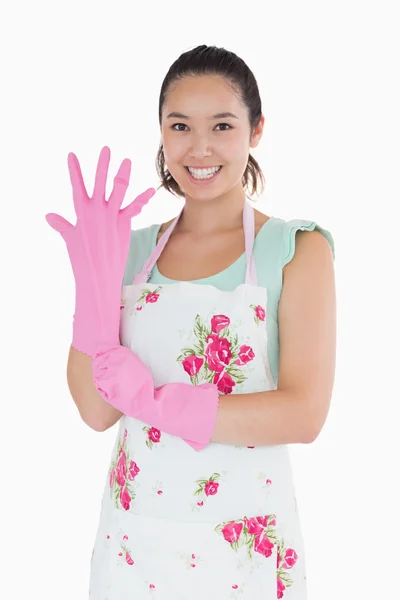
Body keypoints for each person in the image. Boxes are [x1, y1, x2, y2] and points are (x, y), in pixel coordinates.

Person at [46, 45, 336, 599]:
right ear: (161, 132)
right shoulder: (127, 253)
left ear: (255, 131)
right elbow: (96, 410)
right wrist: (92, 287)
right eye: (180, 126)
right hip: (135, 545)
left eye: (222, 125)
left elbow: (304, 414)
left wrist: (156, 404)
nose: (199, 148)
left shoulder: (295, 250)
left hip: (245, 549)